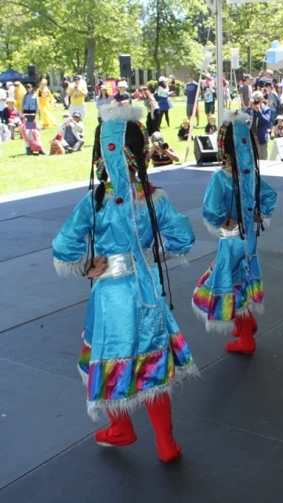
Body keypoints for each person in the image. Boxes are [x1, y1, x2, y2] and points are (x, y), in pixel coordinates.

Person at [51, 104, 197, 463]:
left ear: (102, 152)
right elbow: (182, 237)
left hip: (109, 295)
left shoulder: (95, 201)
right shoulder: (153, 198)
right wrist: (152, 257)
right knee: (152, 361)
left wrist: (87, 267)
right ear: (141, 149)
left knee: (107, 354)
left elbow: (64, 245)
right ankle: (166, 443)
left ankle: (120, 428)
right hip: (147, 290)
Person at [192, 111, 278, 353]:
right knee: (241, 277)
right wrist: (260, 212)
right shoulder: (250, 175)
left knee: (230, 283)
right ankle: (247, 325)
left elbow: (210, 210)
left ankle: (246, 338)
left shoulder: (221, 178)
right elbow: (270, 195)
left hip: (231, 241)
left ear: (223, 145)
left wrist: (221, 219)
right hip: (248, 238)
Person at [249, 91, 272, 160]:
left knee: (262, 159)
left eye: (258, 99)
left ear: (262, 100)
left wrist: (258, 111)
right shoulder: (250, 109)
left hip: (261, 137)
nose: (256, 101)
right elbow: (242, 118)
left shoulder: (266, 109)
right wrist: (249, 106)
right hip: (250, 137)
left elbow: (266, 121)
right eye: (255, 98)